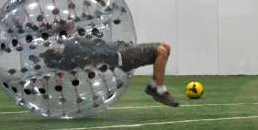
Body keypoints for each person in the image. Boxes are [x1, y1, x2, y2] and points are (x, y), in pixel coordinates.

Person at [40, 37, 179, 107]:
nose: (58, 47)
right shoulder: (70, 49)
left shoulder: (70, 58)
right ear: (56, 52)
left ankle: (154, 86)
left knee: (165, 47)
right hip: (119, 55)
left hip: (119, 51)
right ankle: (159, 90)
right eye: (55, 49)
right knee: (162, 51)